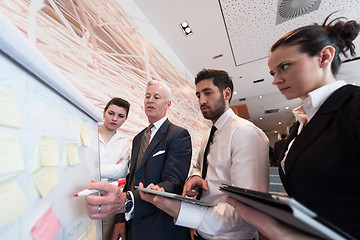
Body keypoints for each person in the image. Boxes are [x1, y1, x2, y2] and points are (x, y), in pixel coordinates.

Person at [226, 13, 360, 239]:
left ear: (324, 57)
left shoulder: (354, 106)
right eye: (273, 72)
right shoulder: (300, 125)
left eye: (284, 66)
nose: (275, 79)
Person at [140, 69, 269, 239]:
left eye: (208, 93)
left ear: (226, 93)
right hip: (202, 232)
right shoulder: (209, 134)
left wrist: (180, 210)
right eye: (198, 95)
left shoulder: (246, 133)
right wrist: (195, 176)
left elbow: (247, 211)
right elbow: (199, 166)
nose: (202, 101)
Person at [85, 80, 192, 240]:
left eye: (156, 97)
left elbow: (174, 183)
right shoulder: (138, 138)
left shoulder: (178, 135)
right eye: (147, 96)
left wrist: (130, 199)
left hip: (160, 223)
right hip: (133, 223)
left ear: (168, 104)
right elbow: (131, 179)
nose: (150, 100)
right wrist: (120, 219)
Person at [98, 97, 131, 240]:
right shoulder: (88, 132)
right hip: (84, 193)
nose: (115, 118)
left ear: (125, 119)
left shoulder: (125, 142)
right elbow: (83, 167)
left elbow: (123, 171)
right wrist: (113, 168)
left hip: (109, 200)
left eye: (120, 116)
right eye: (111, 113)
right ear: (104, 112)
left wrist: (96, 167)